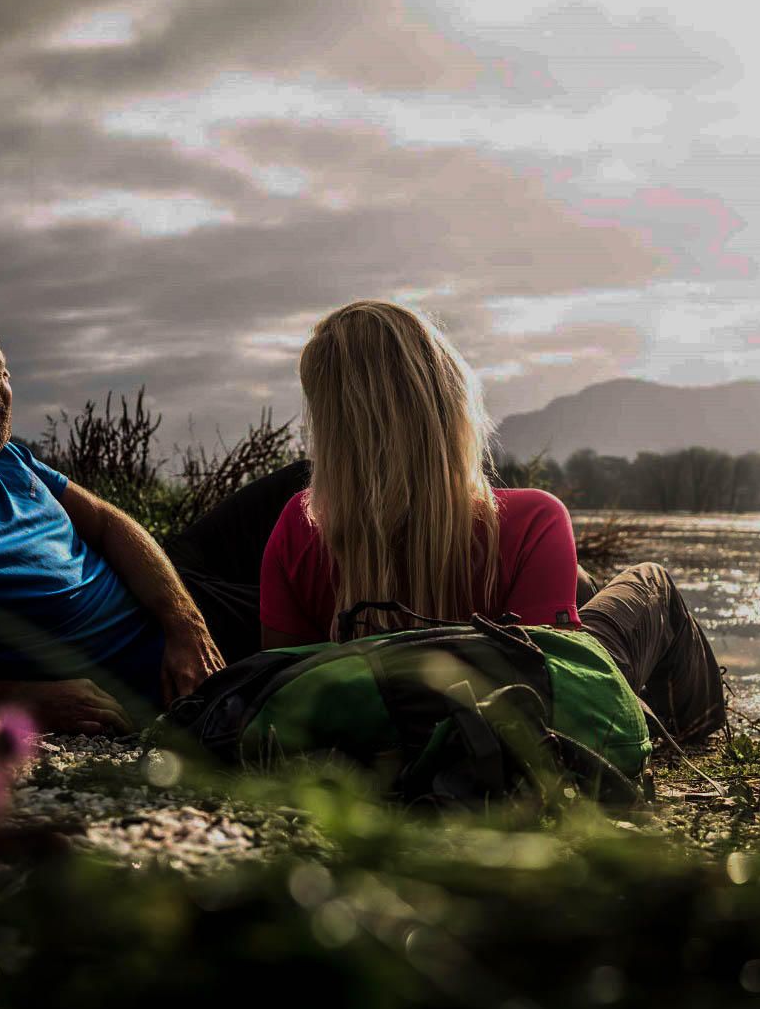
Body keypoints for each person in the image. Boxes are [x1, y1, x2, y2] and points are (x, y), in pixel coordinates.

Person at [0, 284, 307, 733]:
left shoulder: (2, 459)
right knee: (324, 593)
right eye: (2, 374)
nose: (10, 383)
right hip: (173, 658)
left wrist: (185, 623)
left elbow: (104, 523)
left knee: (307, 481)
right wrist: (19, 700)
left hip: (166, 592)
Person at [259, 300, 725, 742]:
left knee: (581, 582)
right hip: (507, 735)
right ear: (448, 399)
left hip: (384, 729)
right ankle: (691, 734)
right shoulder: (532, 519)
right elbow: (554, 692)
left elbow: (280, 684)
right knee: (652, 582)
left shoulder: (298, 527)